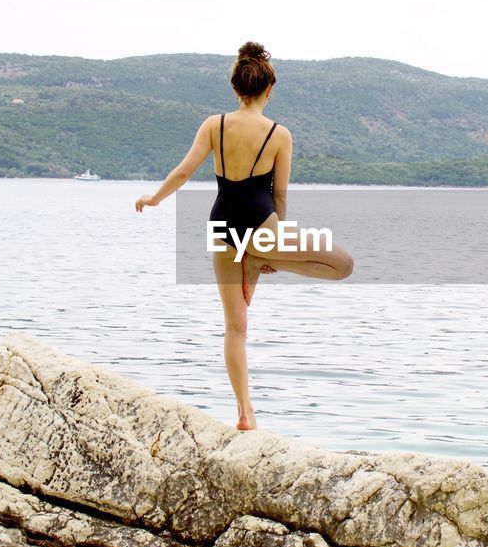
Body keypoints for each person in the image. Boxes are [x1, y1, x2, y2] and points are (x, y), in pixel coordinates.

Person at [134, 42, 353, 430]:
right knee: (342, 265)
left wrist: (154, 198)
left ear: (236, 89)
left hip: (221, 227)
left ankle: (244, 412)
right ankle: (262, 260)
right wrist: (275, 244)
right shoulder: (279, 134)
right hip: (259, 225)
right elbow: (279, 195)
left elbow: (184, 171)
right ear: (269, 90)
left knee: (235, 327)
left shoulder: (214, 124)